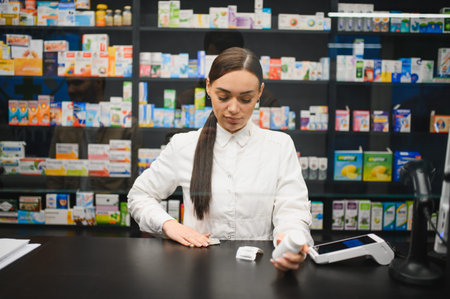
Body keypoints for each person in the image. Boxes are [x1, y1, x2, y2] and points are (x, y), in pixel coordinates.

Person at [128, 47, 312, 271]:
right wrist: (169, 225)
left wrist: (291, 240)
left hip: (260, 270)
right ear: (208, 87)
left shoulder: (279, 146)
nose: (233, 109)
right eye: (223, 97)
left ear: (260, 92)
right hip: (198, 272)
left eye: (246, 99)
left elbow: (292, 208)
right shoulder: (184, 145)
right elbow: (140, 196)